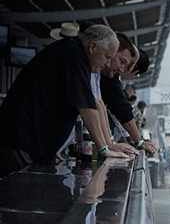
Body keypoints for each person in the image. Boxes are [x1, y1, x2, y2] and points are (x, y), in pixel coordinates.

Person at [0, 24, 121, 175]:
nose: (107, 64)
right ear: (92, 47)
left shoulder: (74, 53)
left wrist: (108, 144)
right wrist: (104, 148)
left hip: (29, 146)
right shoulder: (74, 55)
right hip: (19, 145)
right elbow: (87, 107)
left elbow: (95, 103)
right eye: (107, 57)